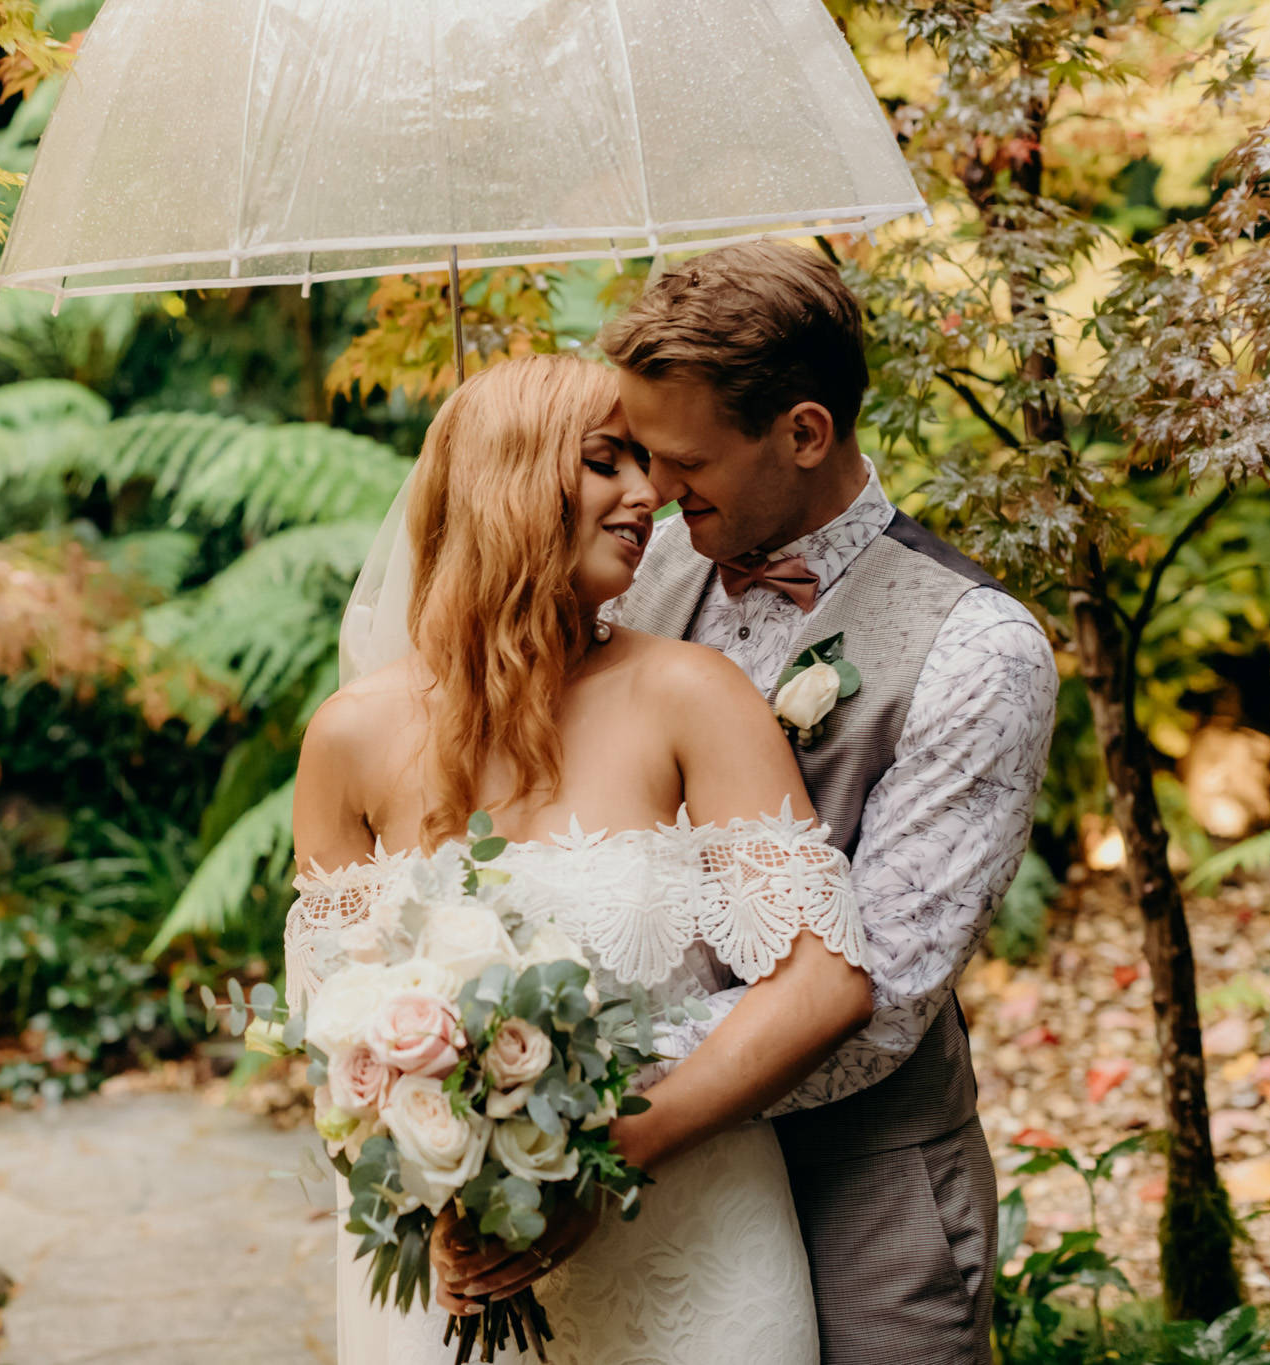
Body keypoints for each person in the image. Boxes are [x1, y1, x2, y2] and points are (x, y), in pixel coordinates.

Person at [433, 242, 1059, 1365]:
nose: (654, 491)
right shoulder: (632, 565)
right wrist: (491, 1090)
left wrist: (579, 1104)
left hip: (854, 1188)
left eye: (681, 459)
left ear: (803, 433)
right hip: (629, 1186)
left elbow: (887, 994)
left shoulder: (976, 648)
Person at [288, 352, 876, 1365]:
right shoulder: (348, 739)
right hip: (458, 1267)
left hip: (689, 1241)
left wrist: (606, 1152)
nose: (646, 495)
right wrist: (435, 1186)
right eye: (606, 461)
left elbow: (822, 982)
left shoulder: (692, 693)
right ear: (505, 481)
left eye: (645, 463)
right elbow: (337, 1047)